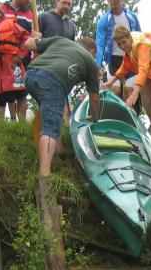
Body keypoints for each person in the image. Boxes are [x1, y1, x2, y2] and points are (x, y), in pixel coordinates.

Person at [23, 36, 101, 176]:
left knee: (53, 114)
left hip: (30, 75)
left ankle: (58, 152)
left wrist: (38, 38)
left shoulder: (60, 40)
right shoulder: (90, 61)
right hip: (53, 81)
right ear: (92, 50)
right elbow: (94, 98)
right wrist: (95, 118)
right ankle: (44, 175)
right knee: (50, 128)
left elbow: (28, 44)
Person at [101, 25, 151, 135]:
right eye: (119, 44)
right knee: (143, 90)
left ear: (129, 37)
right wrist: (110, 82)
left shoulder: (140, 44)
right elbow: (125, 66)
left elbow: (143, 68)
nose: (122, 46)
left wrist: (135, 92)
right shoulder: (130, 48)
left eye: (124, 42)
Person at [95, 0, 140, 77]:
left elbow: (139, 36)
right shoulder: (103, 20)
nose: (114, 0)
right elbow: (100, 44)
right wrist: (97, 66)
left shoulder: (132, 17)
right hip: (114, 60)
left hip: (131, 57)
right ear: (108, 0)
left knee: (133, 85)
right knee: (114, 85)